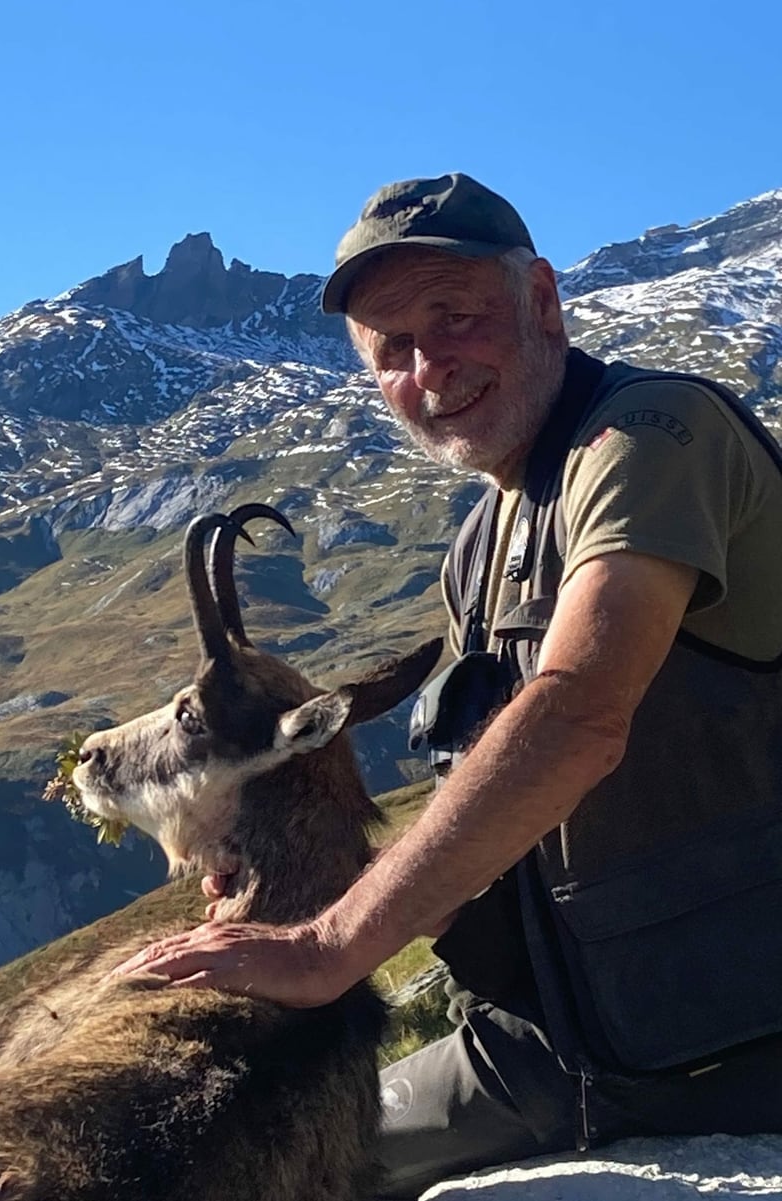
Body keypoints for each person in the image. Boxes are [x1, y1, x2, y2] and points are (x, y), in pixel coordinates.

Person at [113, 173, 782, 1197]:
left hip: (735, 1049)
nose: (431, 366)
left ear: (543, 302)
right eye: (391, 348)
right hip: (559, 1047)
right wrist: (286, 889)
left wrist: (329, 945)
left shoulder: (648, 437)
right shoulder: (478, 548)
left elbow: (577, 715)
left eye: (456, 317)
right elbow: (493, 813)